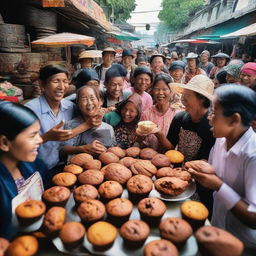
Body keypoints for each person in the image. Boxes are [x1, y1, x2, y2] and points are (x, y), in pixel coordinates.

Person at [187, 85, 256, 254]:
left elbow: (254, 218)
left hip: (242, 244)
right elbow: (214, 170)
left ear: (234, 120)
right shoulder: (220, 140)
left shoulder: (252, 155)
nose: (210, 118)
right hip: (216, 225)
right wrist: (199, 168)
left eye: (215, 113)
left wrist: (218, 185)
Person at [157, 75, 216, 213]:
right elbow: (170, 147)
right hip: (175, 177)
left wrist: (188, 173)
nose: (183, 99)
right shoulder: (179, 117)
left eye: (187, 95)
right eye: (183, 94)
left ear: (202, 98)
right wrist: (158, 134)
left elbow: (206, 161)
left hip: (200, 184)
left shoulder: (211, 126)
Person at [0, 101, 48, 239]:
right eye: (32, 136)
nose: (40, 140)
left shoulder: (35, 165)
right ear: (4, 143)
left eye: (39, 133)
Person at [26, 64, 76, 170]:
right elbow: (21, 145)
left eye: (65, 81)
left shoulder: (70, 107)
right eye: (56, 81)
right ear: (42, 84)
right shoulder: (30, 110)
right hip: (37, 170)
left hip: (65, 167)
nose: (62, 87)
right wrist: (47, 137)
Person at [60, 85, 116, 157]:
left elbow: (113, 152)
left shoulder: (109, 128)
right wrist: (82, 149)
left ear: (100, 101)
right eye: (84, 99)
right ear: (78, 104)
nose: (89, 103)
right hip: (75, 166)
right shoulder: (71, 125)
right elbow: (62, 151)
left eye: (92, 99)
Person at [140, 73, 180, 150]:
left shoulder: (176, 114)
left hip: (171, 158)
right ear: (152, 91)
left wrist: (159, 134)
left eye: (165, 89)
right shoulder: (146, 114)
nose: (160, 93)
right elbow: (139, 139)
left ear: (171, 92)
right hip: (147, 158)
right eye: (157, 89)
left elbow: (174, 146)